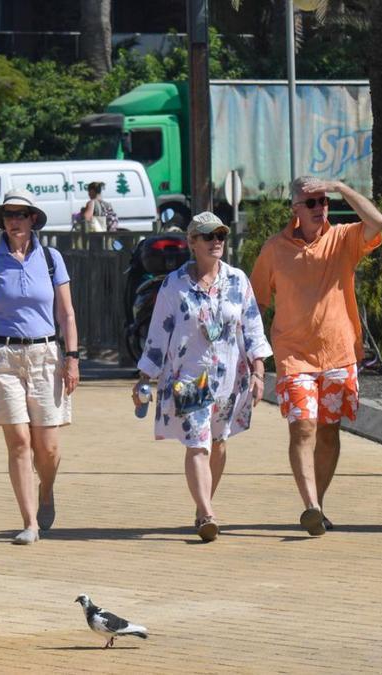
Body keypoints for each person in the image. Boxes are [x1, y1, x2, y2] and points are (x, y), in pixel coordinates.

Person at [249, 176, 382, 536]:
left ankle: (318, 505)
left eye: (323, 202)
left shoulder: (343, 239)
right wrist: (252, 354)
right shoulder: (274, 249)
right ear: (294, 209)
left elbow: (378, 223)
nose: (319, 208)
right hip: (294, 357)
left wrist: (342, 187)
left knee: (328, 432)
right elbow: (256, 303)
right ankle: (309, 505)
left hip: (338, 353)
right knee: (303, 427)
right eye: (310, 203)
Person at [132, 212, 272, 542]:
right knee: (197, 444)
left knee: (219, 443)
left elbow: (252, 327)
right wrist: (144, 378)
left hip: (229, 379)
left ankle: (201, 505)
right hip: (190, 376)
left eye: (220, 235)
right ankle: (207, 512)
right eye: (208, 236)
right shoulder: (174, 284)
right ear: (192, 242)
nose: (216, 241)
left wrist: (259, 371)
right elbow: (158, 333)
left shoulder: (237, 280)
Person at [0, 189, 81, 545]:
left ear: (33, 219)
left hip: (46, 355)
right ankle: (30, 522)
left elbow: (66, 313)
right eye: (8, 215)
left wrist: (72, 357)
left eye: (21, 214)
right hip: (2, 357)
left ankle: (46, 490)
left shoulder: (51, 259)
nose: (14, 221)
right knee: (18, 441)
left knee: (47, 447)